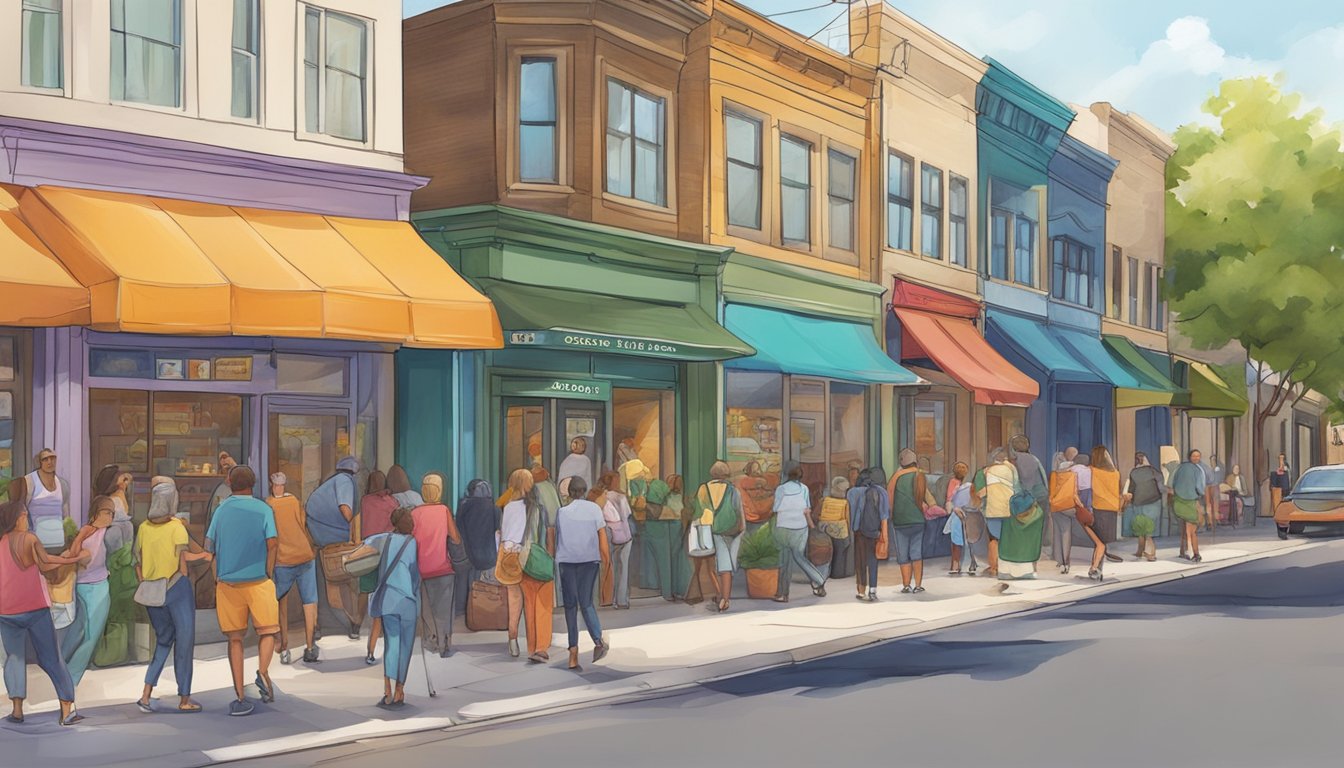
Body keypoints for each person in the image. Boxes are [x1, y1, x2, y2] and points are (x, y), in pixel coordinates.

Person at [1, 500, 85, 725]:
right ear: (17, 517)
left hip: (6, 611)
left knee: (14, 657)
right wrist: (72, 559)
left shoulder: (2, 542)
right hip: (34, 608)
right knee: (51, 658)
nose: (26, 518)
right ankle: (67, 710)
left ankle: (17, 710)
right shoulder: (29, 538)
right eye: (24, 514)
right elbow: (45, 564)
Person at [205, 466, 279, 717]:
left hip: (228, 583)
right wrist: (269, 570)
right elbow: (272, 543)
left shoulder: (221, 510)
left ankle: (239, 695)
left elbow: (209, 546)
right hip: (259, 580)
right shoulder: (264, 509)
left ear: (229, 482)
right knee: (268, 631)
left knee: (235, 639)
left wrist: (217, 575)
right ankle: (263, 672)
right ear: (254, 483)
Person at [136, 479, 210, 713]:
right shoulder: (176, 527)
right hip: (177, 588)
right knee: (184, 643)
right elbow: (184, 560)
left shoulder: (143, 528)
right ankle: (184, 698)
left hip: (151, 591)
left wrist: (146, 583)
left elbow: (137, 562)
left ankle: (146, 694)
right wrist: (206, 556)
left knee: (163, 640)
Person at [358, 508, 419, 709]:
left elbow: (364, 546)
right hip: (408, 601)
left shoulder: (384, 539)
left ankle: (387, 691)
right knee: (406, 646)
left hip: (388, 600)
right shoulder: (412, 543)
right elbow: (414, 573)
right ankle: (400, 690)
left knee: (392, 644)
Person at [306, 456, 365, 640]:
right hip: (331, 539)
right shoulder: (345, 482)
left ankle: (320, 625)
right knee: (342, 583)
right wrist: (355, 530)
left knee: (324, 583)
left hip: (317, 535)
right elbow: (346, 510)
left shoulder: (332, 482)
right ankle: (352, 622)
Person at [554, 476, 609, 670]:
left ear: (569, 492)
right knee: (586, 603)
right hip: (589, 561)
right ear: (584, 490)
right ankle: (598, 640)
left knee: (570, 606)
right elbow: (602, 537)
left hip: (567, 561)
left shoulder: (561, 512)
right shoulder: (594, 509)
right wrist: (606, 560)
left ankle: (573, 654)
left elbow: (557, 538)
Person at [60, 496, 116, 687]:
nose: (110, 516)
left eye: (112, 513)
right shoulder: (88, 531)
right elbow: (75, 553)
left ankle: (67, 673)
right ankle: (68, 675)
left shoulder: (108, 533)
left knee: (88, 632)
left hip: (98, 584)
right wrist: (82, 538)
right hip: (86, 586)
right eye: (107, 512)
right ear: (96, 513)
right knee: (83, 632)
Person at [268, 473, 319, 666]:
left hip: (283, 559)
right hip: (304, 554)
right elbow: (303, 523)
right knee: (309, 602)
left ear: (273, 485)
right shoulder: (294, 501)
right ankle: (310, 647)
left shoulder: (269, 504)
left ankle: (284, 647)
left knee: (281, 603)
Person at [413, 473, 461, 658]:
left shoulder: (415, 513)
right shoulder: (444, 511)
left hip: (421, 569)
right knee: (443, 608)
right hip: (443, 568)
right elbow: (455, 538)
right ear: (440, 490)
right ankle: (445, 643)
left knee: (426, 607)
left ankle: (431, 640)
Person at [772, 464, 827, 602]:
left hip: (783, 527)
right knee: (799, 557)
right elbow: (806, 509)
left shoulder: (781, 489)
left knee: (784, 560)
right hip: (800, 527)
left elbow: (775, 508)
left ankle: (782, 594)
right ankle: (818, 580)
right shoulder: (804, 489)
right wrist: (811, 525)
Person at [696, 461, 744, 613]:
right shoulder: (732, 490)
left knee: (709, 565)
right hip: (728, 530)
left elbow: (699, 510)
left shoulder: (703, 489)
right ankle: (725, 598)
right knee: (725, 567)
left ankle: (718, 593)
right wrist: (741, 527)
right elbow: (738, 510)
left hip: (707, 529)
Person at [518, 479, 555, 664]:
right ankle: (541, 647)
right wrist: (551, 556)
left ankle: (532, 647)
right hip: (541, 561)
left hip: (524, 562)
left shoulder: (518, 511)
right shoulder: (542, 511)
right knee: (544, 606)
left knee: (529, 606)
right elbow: (549, 536)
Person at [887, 449, 934, 594]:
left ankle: (906, 585)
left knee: (903, 554)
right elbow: (930, 499)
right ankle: (918, 585)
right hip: (918, 520)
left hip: (900, 521)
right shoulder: (920, 475)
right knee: (916, 552)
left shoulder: (896, 477)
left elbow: (889, 499)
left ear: (902, 462)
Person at [497, 469, 532, 658]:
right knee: (530, 597)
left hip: (508, 552)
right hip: (525, 552)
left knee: (514, 598)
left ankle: (513, 638)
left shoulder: (508, 505)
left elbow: (504, 532)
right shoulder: (530, 506)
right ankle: (533, 640)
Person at [642, 473, 689, 602]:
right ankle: (678, 590)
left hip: (665, 525)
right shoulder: (680, 497)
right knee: (676, 559)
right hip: (677, 525)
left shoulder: (664, 494)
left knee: (666, 560)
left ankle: (668, 591)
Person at [597, 471, 634, 609]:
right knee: (623, 567)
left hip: (608, 531)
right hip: (624, 532)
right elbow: (627, 513)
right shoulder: (622, 497)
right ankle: (622, 600)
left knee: (608, 565)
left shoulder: (602, 496)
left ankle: (607, 597)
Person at [850, 467, 888, 601]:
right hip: (874, 530)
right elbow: (884, 515)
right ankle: (873, 590)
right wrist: (884, 535)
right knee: (873, 559)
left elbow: (851, 512)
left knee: (860, 561)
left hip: (859, 531)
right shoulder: (881, 492)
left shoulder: (852, 492)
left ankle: (861, 590)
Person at [23, 448, 71, 551]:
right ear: (39, 462)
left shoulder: (62, 484)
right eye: (45, 459)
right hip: (36, 543)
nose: (50, 462)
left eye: (52, 458)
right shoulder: (29, 481)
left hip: (58, 543)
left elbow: (66, 515)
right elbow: (22, 511)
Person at [1123, 452, 1165, 561]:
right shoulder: (1153, 471)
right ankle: (1150, 553)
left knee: (1141, 528)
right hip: (1153, 503)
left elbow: (1131, 489)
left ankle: (1140, 551)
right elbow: (1161, 487)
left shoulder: (1133, 472)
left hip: (1138, 503)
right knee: (1149, 530)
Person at [458, 479, 500, 588]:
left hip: (467, 557)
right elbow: (498, 532)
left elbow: (459, 530)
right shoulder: (494, 509)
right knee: (488, 595)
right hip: (489, 558)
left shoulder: (463, 508)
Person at [1170, 450, 1206, 563]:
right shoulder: (1198, 470)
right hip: (1190, 501)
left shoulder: (1180, 468)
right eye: (1194, 456)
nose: (1196, 458)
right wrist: (1201, 495)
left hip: (1178, 501)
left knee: (1183, 529)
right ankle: (1196, 554)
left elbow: (1172, 483)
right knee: (1192, 531)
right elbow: (1200, 487)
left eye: (1198, 456)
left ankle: (1182, 551)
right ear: (1190, 457)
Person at [817, 477, 851, 582]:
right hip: (840, 530)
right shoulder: (845, 503)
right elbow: (847, 518)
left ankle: (825, 573)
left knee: (827, 552)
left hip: (825, 528)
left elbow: (818, 514)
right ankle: (837, 574)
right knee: (841, 550)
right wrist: (849, 531)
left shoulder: (824, 500)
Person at [946, 468, 979, 576]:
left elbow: (952, 502)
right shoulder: (972, 489)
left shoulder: (959, 488)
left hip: (958, 515)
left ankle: (955, 564)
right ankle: (971, 564)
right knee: (972, 538)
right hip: (970, 517)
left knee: (956, 540)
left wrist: (955, 509)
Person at [941, 463, 971, 575]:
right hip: (957, 513)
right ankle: (955, 563)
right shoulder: (953, 482)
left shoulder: (968, 485)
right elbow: (949, 500)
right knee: (956, 538)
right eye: (959, 468)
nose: (961, 470)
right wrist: (955, 509)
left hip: (968, 513)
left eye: (963, 467)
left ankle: (965, 564)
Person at [206, 451, 239, 527]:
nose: (224, 461)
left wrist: (233, 465)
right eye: (222, 458)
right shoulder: (220, 487)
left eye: (225, 458)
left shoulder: (237, 489)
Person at [1205, 454, 1226, 529]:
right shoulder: (1209, 470)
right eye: (1211, 461)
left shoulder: (1218, 470)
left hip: (1215, 487)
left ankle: (1215, 520)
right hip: (1209, 488)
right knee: (1208, 504)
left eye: (1214, 461)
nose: (1212, 462)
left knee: (1215, 504)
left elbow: (1219, 479)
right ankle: (1210, 521)